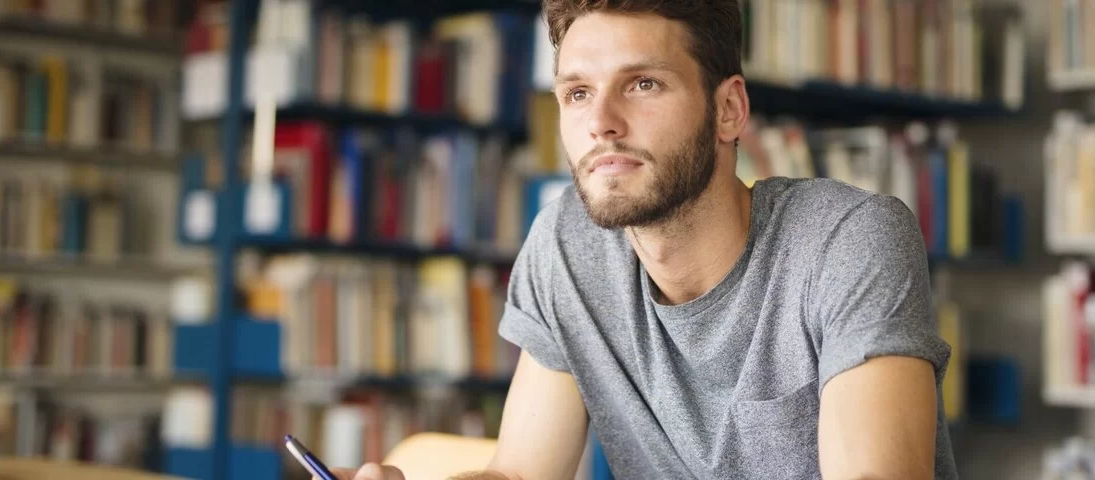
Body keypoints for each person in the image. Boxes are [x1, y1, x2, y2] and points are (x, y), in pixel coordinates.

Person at [331, 0, 955, 478]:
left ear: (730, 110)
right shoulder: (566, 247)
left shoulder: (847, 241)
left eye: (643, 84)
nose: (601, 122)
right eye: (578, 93)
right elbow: (521, 470)